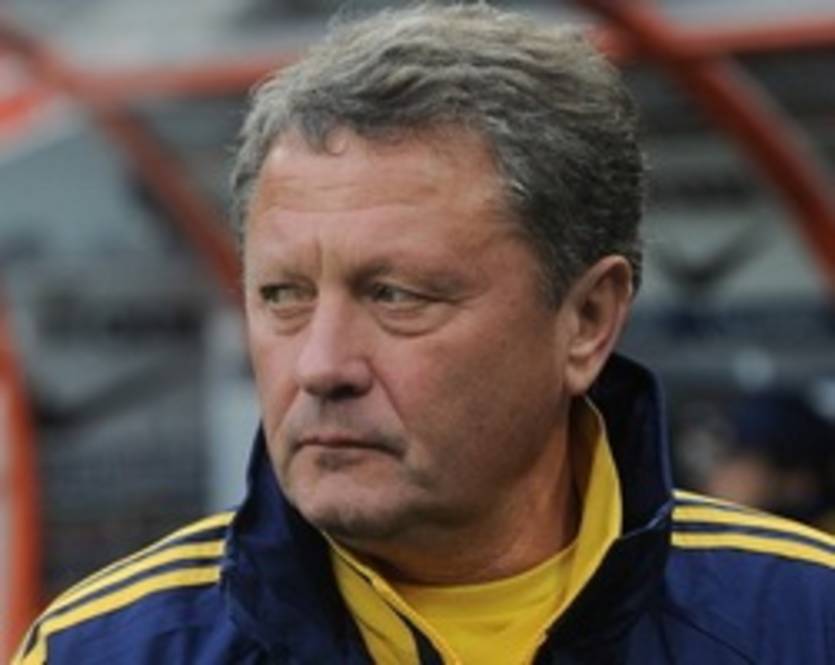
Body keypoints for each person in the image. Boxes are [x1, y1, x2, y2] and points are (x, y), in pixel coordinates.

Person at [14, 4, 835, 664]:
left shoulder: (805, 620)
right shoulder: (104, 647)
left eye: (396, 295)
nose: (321, 364)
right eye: (283, 295)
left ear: (586, 320)